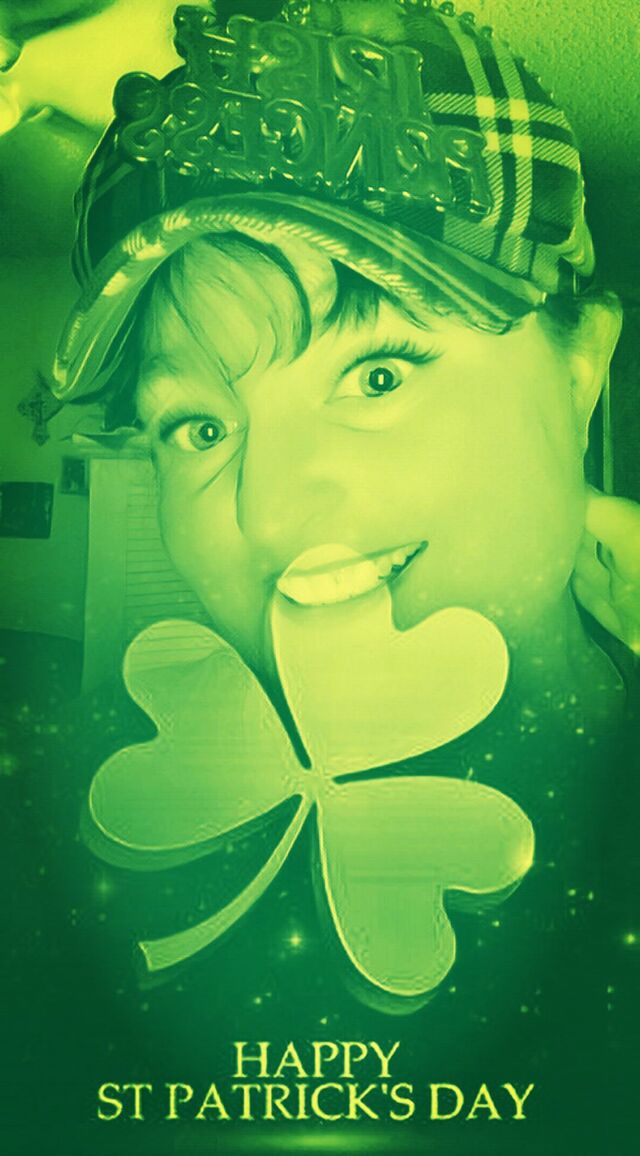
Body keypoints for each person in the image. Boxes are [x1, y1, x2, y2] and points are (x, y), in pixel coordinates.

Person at [52, 0, 638, 1007]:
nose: (271, 516)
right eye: (199, 428)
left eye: (377, 375)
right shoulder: (92, 869)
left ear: (580, 373)